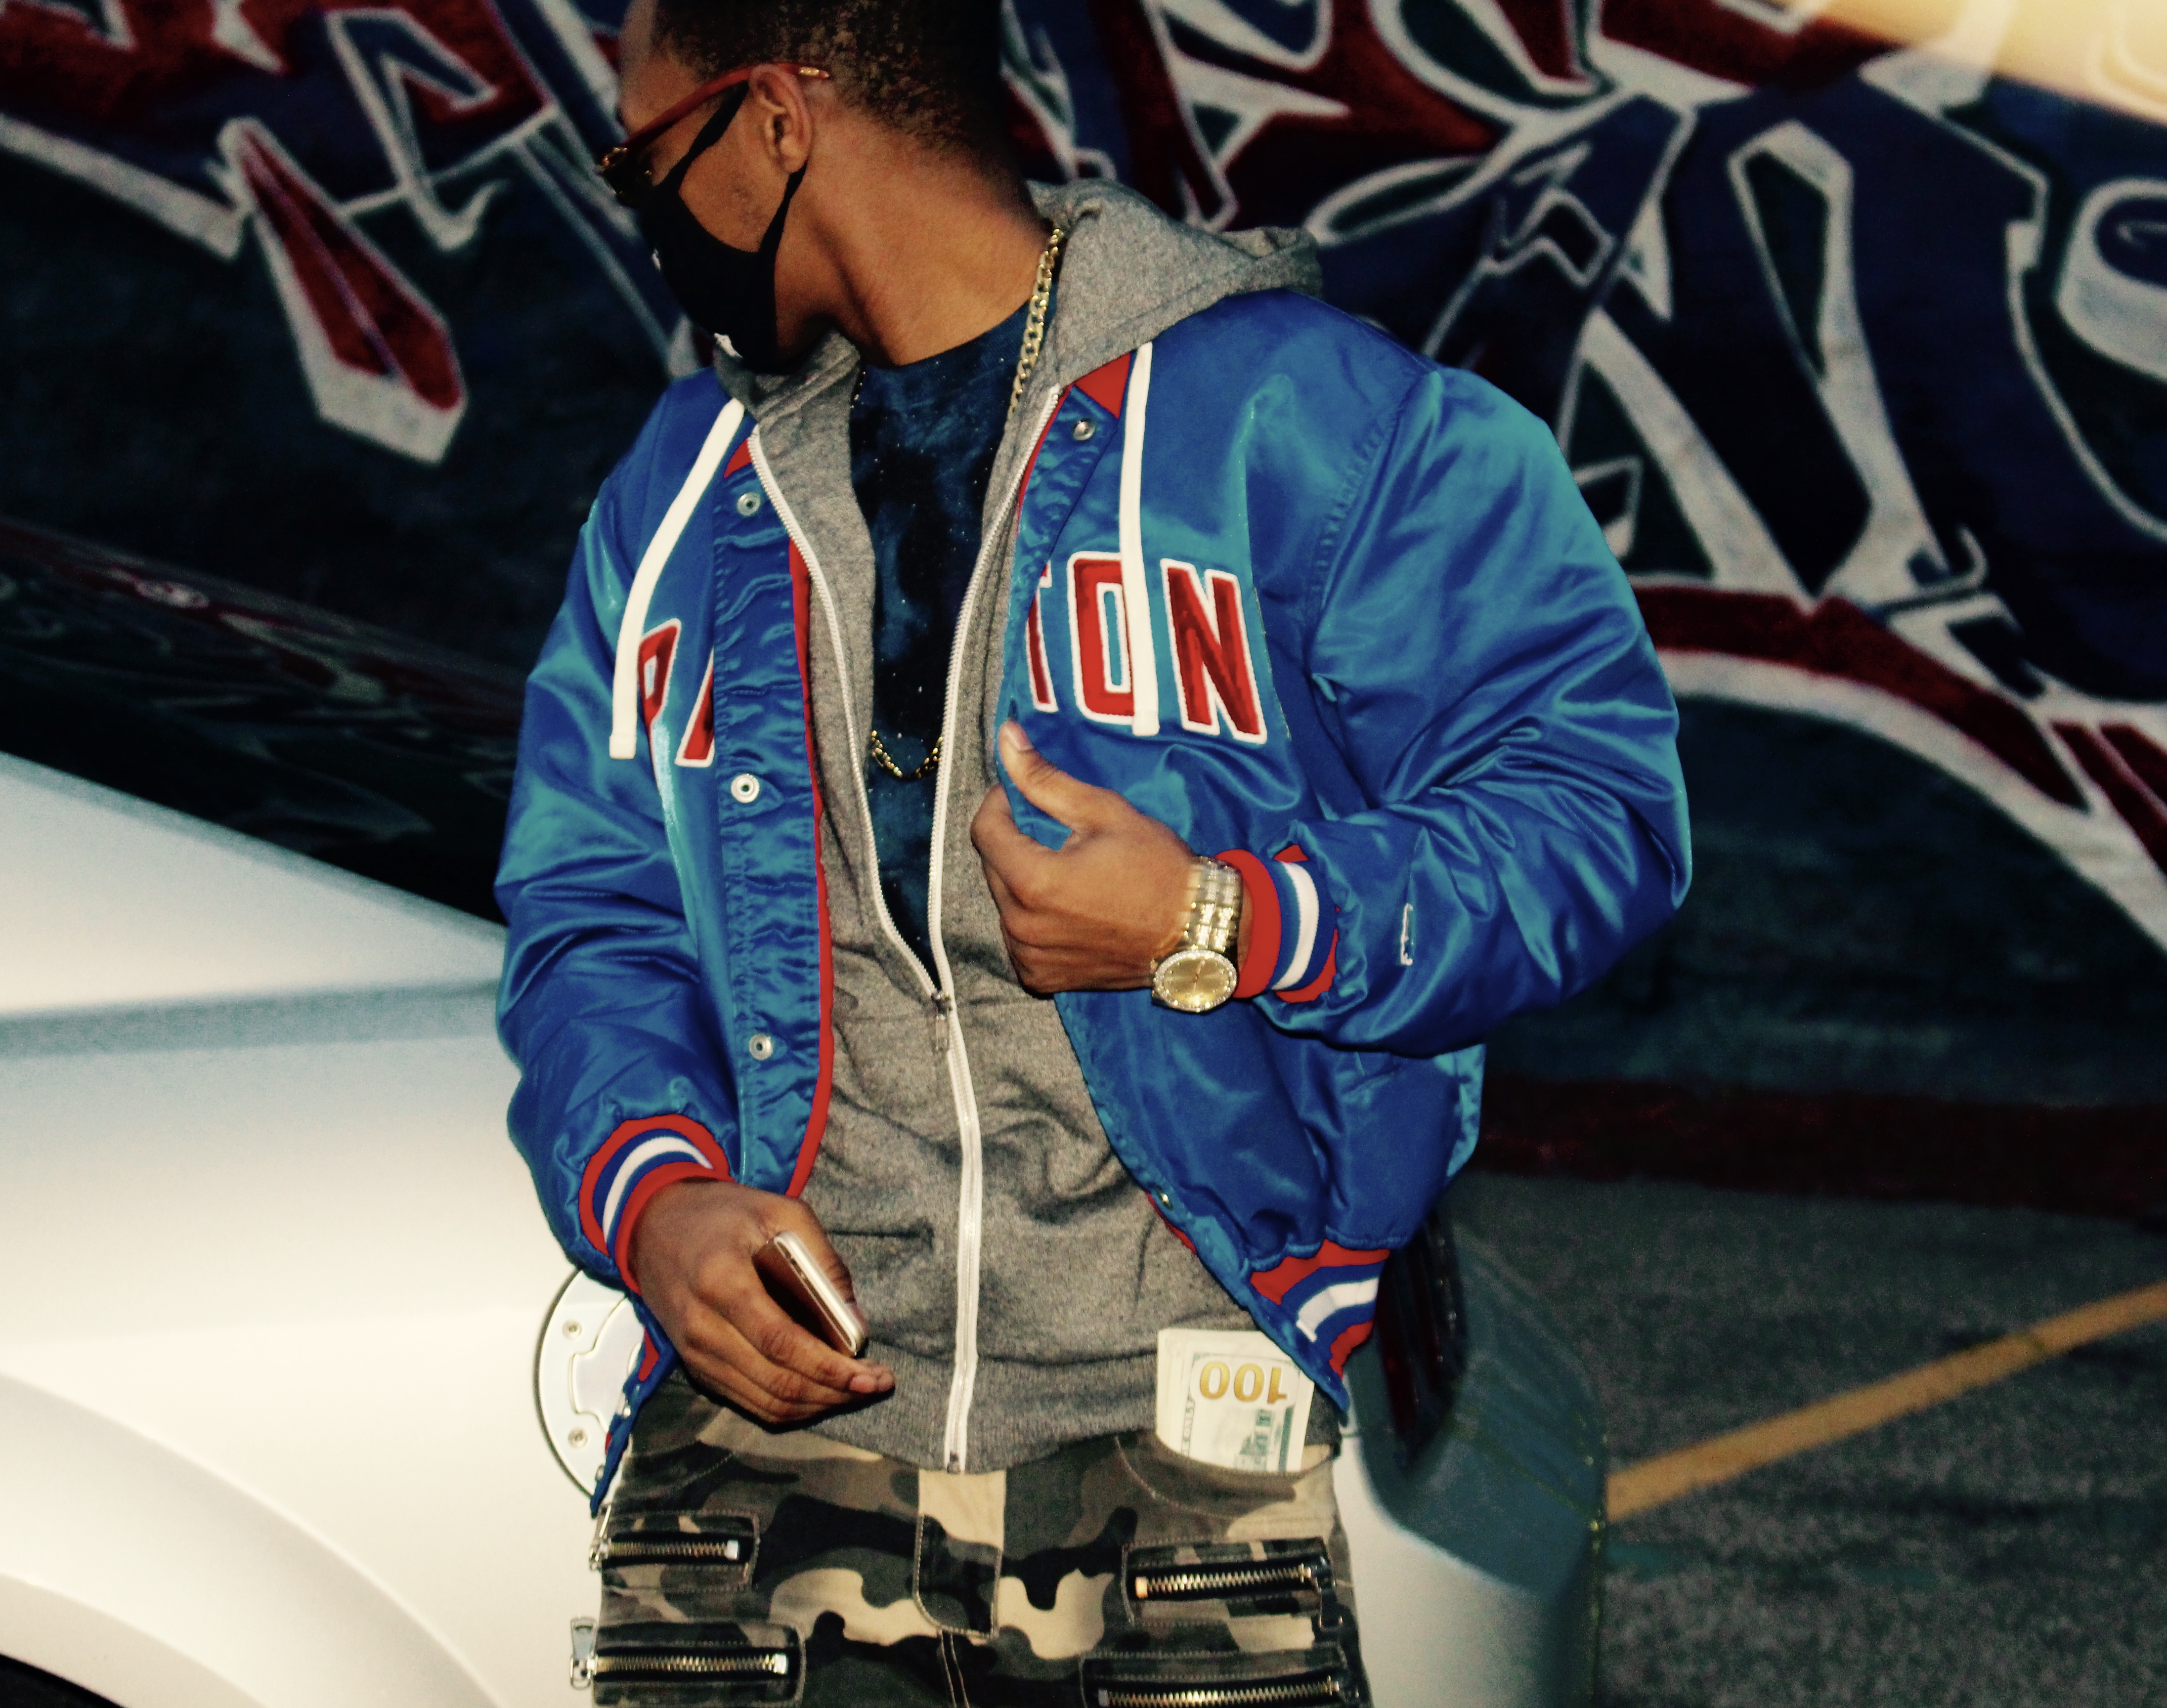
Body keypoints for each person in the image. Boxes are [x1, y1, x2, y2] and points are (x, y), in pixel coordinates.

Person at [495, 0, 1690, 1699]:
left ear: (773, 122)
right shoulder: (682, 494)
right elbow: (591, 908)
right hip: (765, 1457)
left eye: (646, 159)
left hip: (1178, 1457)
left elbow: (1597, 809)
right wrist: (658, 1194)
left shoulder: (1311, 424)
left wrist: (1226, 916)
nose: (645, 211)